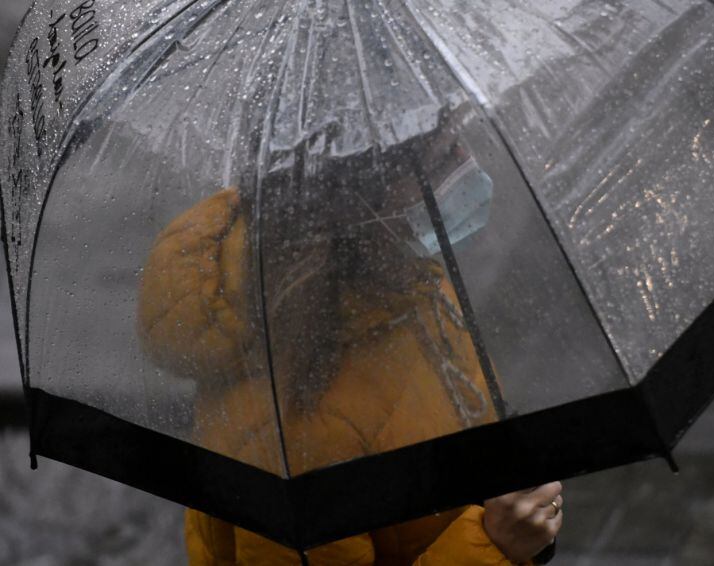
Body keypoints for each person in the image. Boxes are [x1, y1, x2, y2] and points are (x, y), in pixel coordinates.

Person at [136, 128, 563, 564]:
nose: (466, 162)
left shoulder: (402, 278)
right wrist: (494, 547)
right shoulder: (293, 433)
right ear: (358, 201)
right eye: (438, 159)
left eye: (456, 136)